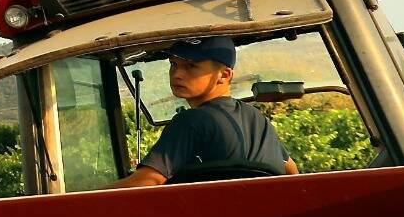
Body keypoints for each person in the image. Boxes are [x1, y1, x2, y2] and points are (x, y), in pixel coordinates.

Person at [108, 36, 298, 188]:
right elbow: (291, 172)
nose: (177, 74)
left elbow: (148, 181)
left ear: (224, 75)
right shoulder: (258, 118)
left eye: (191, 66)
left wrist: (82, 198)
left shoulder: (190, 121)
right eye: (173, 64)